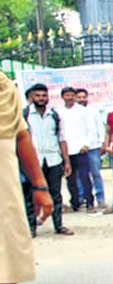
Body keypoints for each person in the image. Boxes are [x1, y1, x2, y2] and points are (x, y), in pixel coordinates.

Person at [2, 72, 53, 284]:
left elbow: (21, 136)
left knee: (8, 263)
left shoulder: (5, 89)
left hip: (4, 190)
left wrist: (39, 185)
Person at [20, 83, 72, 236]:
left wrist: (66, 161)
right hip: (33, 162)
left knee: (55, 194)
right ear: (31, 97)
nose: (41, 99)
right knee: (30, 195)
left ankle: (59, 225)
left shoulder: (55, 115)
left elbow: (62, 139)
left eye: (44, 96)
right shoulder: (25, 115)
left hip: (53, 159)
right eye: (38, 96)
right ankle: (31, 228)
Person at [58, 86, 93, 213]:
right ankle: (75, 203)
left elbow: (90, 129)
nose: (70, 98)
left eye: (72, 95)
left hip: (80, 149)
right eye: (67, 95)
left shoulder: (83, 111)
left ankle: (90, 202)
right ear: (62, 97)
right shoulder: (58, 112)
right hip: (66, 151)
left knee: (85, 177)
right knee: (70, 179)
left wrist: (86, 144)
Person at [76, 88, 107, 209]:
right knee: (80, 175)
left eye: (84, 97)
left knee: (96, 173)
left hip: (93, 147)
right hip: (78, 148)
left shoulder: (93, 111)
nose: (82, 100)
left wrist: (102, 143)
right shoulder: (73, 112)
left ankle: (100, 198)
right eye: (79, 97)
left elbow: (100, 128)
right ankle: (82, 198)